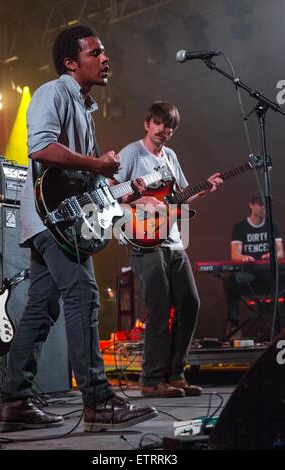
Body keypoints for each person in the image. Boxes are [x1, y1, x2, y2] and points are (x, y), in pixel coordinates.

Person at [0, 25, 157, 432]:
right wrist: (97, 165)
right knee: (84, 296)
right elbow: (40, 148)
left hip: (55, 219)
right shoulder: (54, 92)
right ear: (72, 62)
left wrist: (122, 191)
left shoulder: (84, 107)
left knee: (41, 307)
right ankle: (99, 400)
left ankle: (14, 401)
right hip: (53, 220)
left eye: (105, 53)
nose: (106, 59)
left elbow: (82, 180)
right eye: (96, 52)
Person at [114, 101, 223, 398]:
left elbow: (181, 196)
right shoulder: (131, 153)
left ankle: (175, 375)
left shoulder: (170, 157)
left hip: (173, 240)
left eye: (170, 126)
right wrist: (139, 202)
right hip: (143, 241)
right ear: (147, 123)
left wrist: (205, 188)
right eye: (159, 123)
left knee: (190, 303)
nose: (164, 130)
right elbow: (110, 191)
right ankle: (150, 380)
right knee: (160, 307)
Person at [225, 191, 284, 335]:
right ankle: (234, 325)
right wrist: (243, 257)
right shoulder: (240, 227)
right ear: (251, 205)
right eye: (261, 205)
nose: (264, 208)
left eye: (266, 206)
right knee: (230, 282)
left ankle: (280, 328)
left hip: (269, 276)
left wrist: (273, 256)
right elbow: (235, 254)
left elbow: (281, 252)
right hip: (248, 276)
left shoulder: (272, 226)